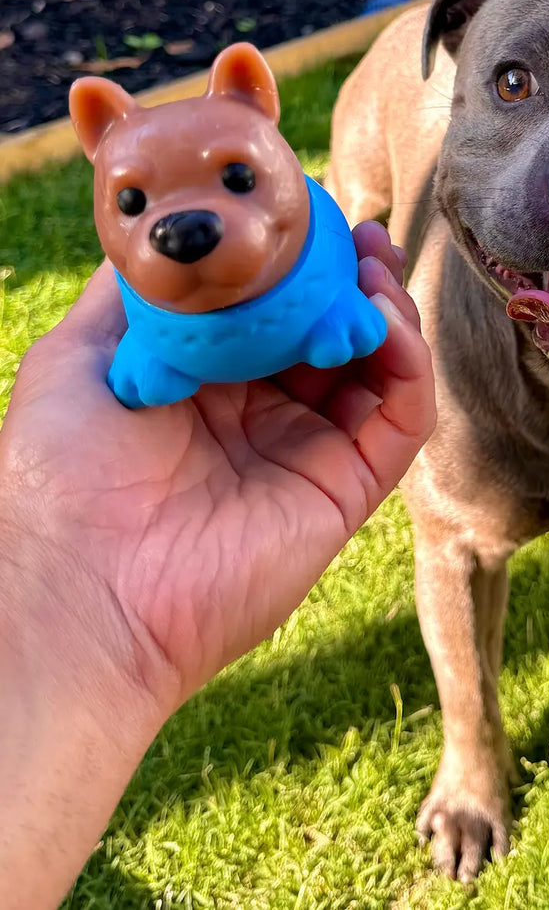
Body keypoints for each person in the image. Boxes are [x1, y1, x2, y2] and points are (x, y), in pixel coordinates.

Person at [0, 222, 435, 910]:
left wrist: (77, 607)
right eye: (139, 202)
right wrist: (74, 581)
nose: (189, 223)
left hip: (313, 307)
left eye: (237, 177)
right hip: (167, 347)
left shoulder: (302, 232)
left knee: (353, 308)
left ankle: (330, 314)